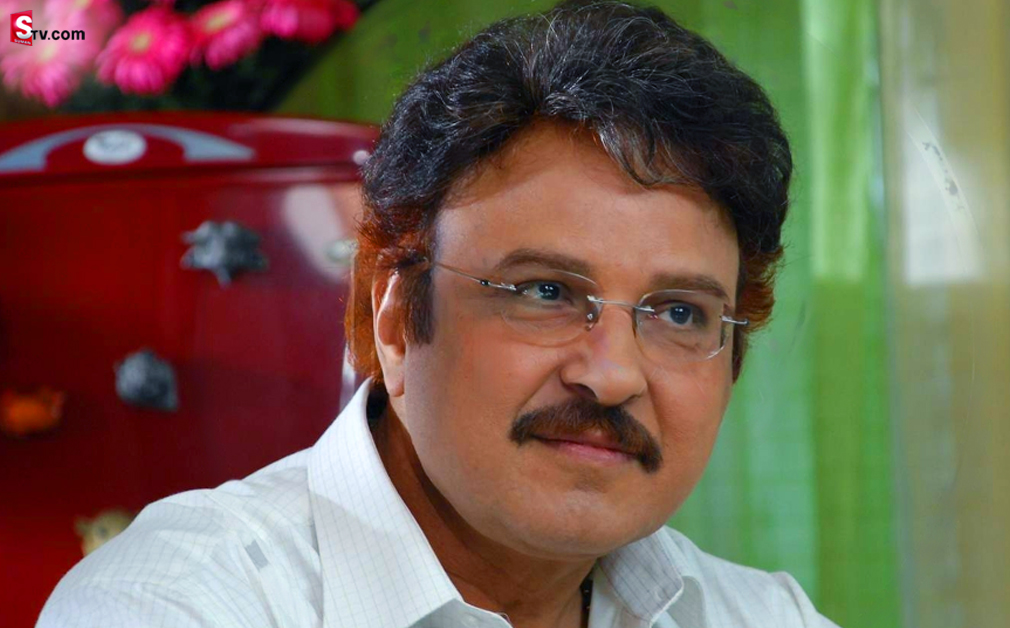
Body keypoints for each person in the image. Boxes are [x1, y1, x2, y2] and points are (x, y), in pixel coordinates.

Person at [37, 2, 839, 627]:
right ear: (392, 317)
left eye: (679, 312)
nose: (613, 375)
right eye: (545, 292)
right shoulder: (177, 604)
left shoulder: (759, 615)